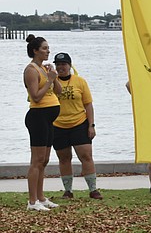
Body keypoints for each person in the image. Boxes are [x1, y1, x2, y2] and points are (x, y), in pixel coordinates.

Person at [51, 52, 102, 199]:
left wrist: (91, 125)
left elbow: (88, 105)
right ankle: (68, 190)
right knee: (64, 158)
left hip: (79, 123)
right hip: (58, 125)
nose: (61, 67)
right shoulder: (51, 82)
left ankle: (93, 189)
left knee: (86, 156)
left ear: (69, 66)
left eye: (63, 64)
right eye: (58, 64)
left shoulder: (80, 81)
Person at [23, 35, 62, 211]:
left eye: (48, 48)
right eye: (45, 48)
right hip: (37, 117)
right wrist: (49, 80)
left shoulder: (44, 69)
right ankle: (32, 201)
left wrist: (53, 76)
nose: (48, 51)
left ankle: (41, 197)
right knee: (37, 160)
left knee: (44, 160)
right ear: (35, 50)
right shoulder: (31, 70)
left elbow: (59, 92)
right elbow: (36, 97)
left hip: (49, 118)